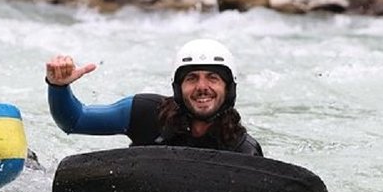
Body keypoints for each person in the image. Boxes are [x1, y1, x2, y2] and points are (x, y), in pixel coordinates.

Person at [45, 38, 263, 156]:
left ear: (228, 88)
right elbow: (74, 121)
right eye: (192, 78)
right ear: (178, 87)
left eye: (213, 78)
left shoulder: (243, 150)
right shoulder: (146, 112)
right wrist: (58, 87)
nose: (202, 87)